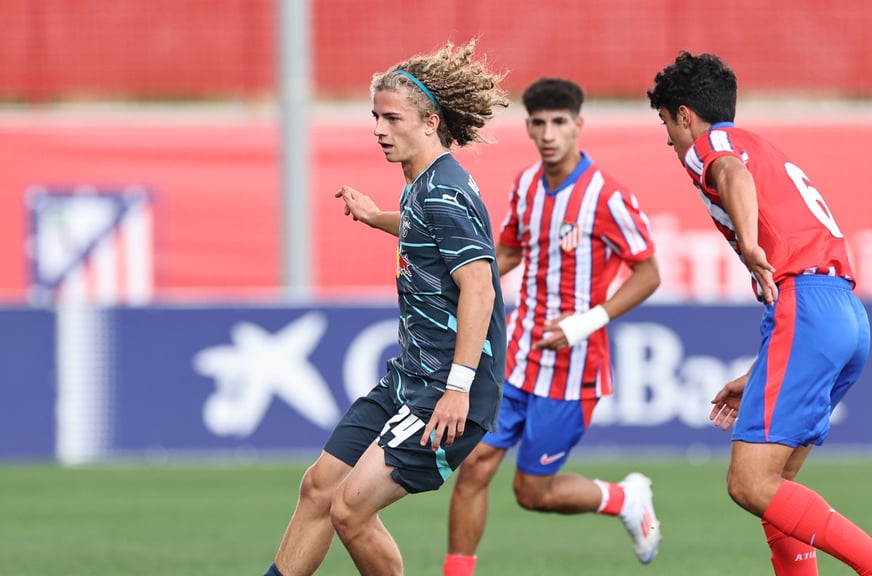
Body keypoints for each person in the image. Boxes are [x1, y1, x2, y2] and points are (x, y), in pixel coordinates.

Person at [646, 52, 872, 576]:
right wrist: (758, 373)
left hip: (808, 308)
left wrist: (749, 245)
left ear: (685, 114)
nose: (668, 139)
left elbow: (730, 174)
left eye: (665, 123)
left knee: (749, 483)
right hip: (842, 311)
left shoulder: (714, 146)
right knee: (778, 491)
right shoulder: (763, 147)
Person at [262, 39, 510, 576]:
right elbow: (428, 236)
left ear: (429, 122)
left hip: (448, 389)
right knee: (318, 487)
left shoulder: (443, 192)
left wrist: (458, 388)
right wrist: (377, 218)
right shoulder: (423, 185)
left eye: (391, 117)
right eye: (375, 115)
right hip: (410, 378)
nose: (378, 128)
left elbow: (481, 289)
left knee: (349, 508)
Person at [443, 77, 663, 576]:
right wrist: (454, 282)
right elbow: (511, 251)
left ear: (578, 125)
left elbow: (649, 273)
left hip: (573, 370)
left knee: (531, 493)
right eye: (539, 123)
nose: (548, 133)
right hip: (517, 357)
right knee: (473, 466)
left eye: (559, 123)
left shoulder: (606, 196)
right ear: (527, 127)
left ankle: (625, 498)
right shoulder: (524, 185)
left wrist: (586, 322)